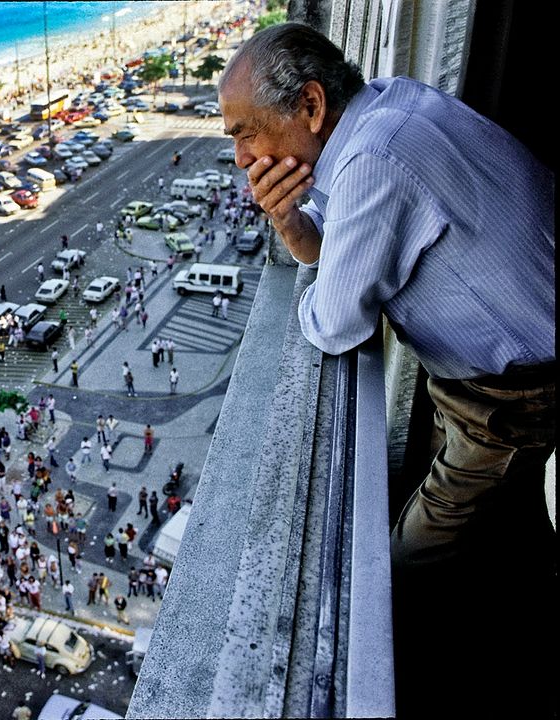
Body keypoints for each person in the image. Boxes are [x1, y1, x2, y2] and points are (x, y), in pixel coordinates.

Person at [220, 22, 555, 716]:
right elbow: (333, 239)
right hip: (482, 381)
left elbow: (334, 322)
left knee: (403, 562)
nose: (243, 156)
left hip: (516, 398)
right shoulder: (391, 105)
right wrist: (290, 221)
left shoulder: (374, 159)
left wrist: (307, 246)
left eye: (244, 132)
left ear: (309, 106)